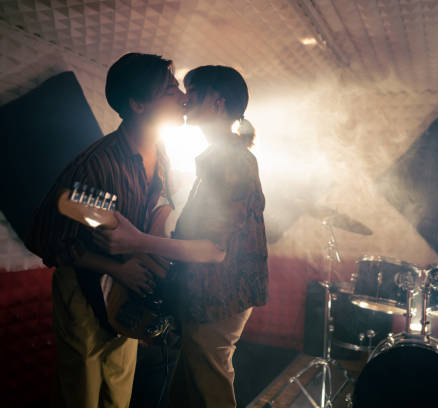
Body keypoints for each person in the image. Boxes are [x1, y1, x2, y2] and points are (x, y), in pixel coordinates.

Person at [25, 53, 224, 408]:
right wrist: (118, 268)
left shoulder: (161, 152)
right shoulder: (96, 165)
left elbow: (155, 210)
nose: (182, 96)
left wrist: (151, 257)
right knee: (81, 395)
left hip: (127, 290)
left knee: (117, 396)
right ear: (138, 104)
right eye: (169, 88)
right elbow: (43, 238)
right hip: (85, 288)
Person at [94, 65, 269, 408]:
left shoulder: (232, 162)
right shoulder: (220, 159)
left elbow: (214, 250)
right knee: (186, 393)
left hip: (220, 296)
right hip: (212, 293)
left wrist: (138, 242)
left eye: (194, 92)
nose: (185, 100)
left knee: (210, 392)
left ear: (217, 103)